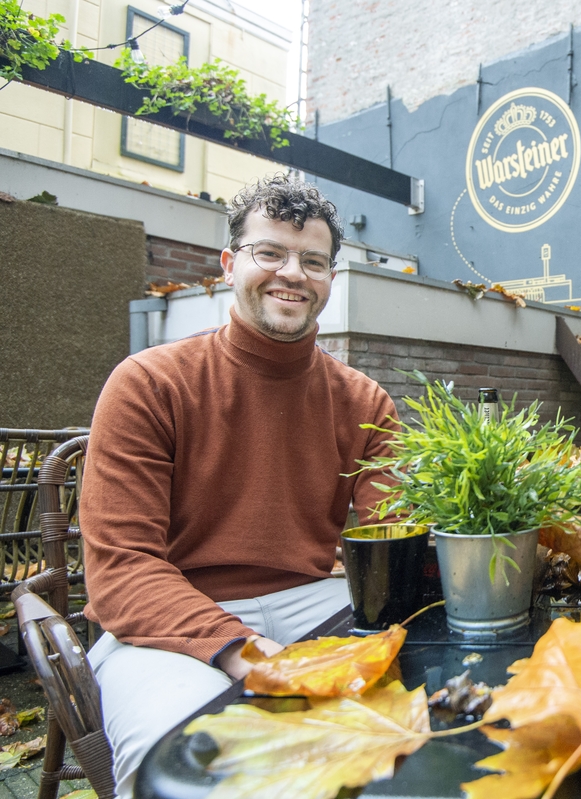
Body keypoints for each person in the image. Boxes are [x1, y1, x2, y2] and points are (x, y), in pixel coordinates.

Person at [80, 176, 399, 797]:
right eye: (270, 253)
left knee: (408, 712)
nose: (293, 274)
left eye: (312, 260)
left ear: (331, 279)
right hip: (167, 622)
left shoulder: (364, 401)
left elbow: (394, 537)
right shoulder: (148, 384)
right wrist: (247, 650)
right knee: (191, 760)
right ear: (230, 265)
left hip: (316, 600)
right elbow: (122, 570)